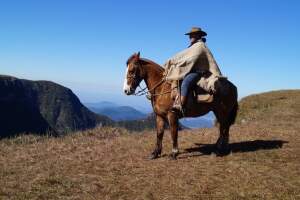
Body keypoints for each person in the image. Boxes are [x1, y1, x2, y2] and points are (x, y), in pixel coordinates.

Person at [163, 27, 223, 112]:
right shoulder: (193, 46)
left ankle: (180, 104)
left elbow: (190, 59)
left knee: (186, 82)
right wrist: (171, 61)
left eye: (192, 35)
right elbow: (183, 56)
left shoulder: (200, 46)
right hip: (191, 70)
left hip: (198, 72)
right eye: (190, 35)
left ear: (198, 35)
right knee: (173, 78)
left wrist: (178, 62)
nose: (190, 37)